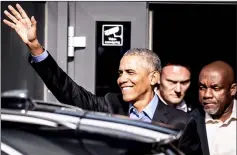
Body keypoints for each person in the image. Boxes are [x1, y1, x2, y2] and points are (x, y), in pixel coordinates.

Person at [3, 4, 202, 154]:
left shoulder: (181, 123)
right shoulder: (109, 106)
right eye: (120, 73)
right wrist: (35, 47)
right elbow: (67, 90)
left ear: (153, 78)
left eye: (130, 73)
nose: (122, 79)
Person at [197, 60, 237, 155]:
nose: (207, 95)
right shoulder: (189, 122)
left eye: (215, 88)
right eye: (202, 87)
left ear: (232, 90)